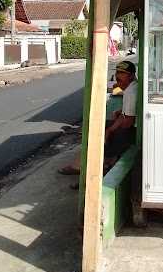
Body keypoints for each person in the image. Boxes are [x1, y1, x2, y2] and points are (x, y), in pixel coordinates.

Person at [58, 60, 138, 188]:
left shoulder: (131, 92)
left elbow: (127, 123)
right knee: (96, 130)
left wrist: (110, 131)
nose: (118, 76)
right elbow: (125, 115)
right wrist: (118, 117)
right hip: (128, 128)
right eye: (117, 72)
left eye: (122, 73)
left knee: (98, 140)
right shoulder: (131, 88)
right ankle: (82, 166)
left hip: (130, 133)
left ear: (131, 75)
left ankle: (88, 177)